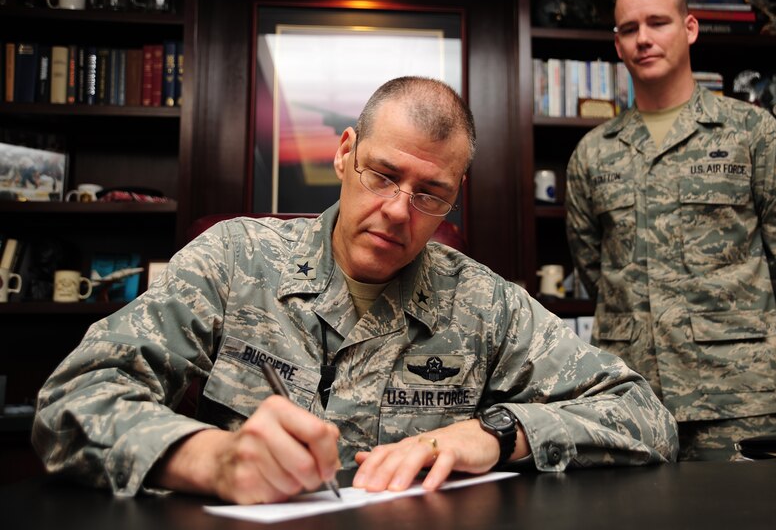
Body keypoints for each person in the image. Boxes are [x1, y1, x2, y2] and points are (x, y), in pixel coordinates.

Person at [33, 76, 678, 504]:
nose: (399, 211)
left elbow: (645, 416)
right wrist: (210, 460)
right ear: (345, 153)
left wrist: (493, 434)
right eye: (383, 175)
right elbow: (74, 397)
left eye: (430, 194)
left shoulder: (484, 303)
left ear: (455, 198)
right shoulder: (235, 260)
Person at [565, 0, 776, 461]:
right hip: (630, 397)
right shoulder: (592, 154)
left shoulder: (751, 130)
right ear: (617, 44)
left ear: (689, 28)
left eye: (658, 22)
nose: (643, 38)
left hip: (737, 394)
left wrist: (742, 321)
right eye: (628, 28)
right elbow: (593, 266)